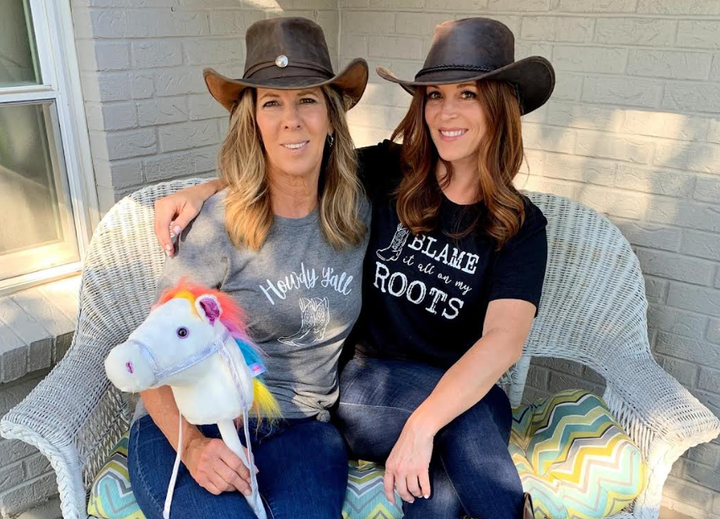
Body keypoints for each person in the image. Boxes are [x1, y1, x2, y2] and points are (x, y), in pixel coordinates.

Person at [153, 18, 554, 519]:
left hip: (453, 388)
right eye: (434, 96)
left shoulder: (519, 224)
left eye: (468, 94)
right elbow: (289, 162)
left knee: (442, 482)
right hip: (368, 385)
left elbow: (504, 340)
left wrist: (423, 425)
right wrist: (205, 192)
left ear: (500, 105)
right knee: (473, 419)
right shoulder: (391, 172)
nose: (446, 112)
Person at [127, 17, 371, 519]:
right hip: (189, 422)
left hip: (303, 427)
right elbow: (149, 355)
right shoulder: (218, 226)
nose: (291, 120)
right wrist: (192, 446)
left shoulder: (359, 210)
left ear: (331, 116)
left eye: (307, 99)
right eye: (271, 103)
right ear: (252, 121)